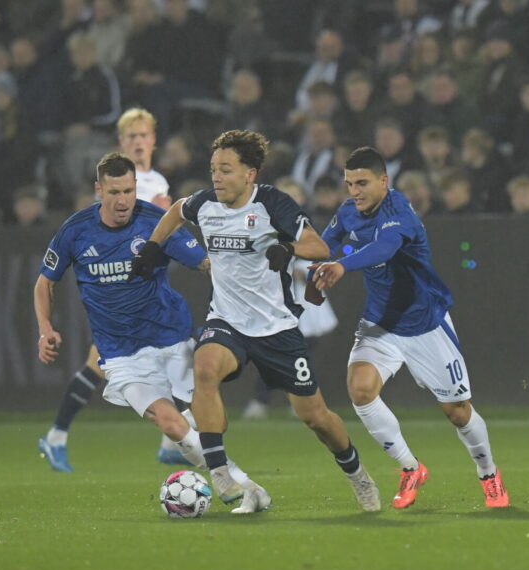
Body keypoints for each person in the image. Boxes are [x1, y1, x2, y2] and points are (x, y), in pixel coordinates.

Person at [131, 130, 382, 515]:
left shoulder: (272, 204)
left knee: (316, 418)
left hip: (276, 329)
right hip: (227, 319)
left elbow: (320, 247)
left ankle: (357, 473)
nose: (216, 177)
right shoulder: (205, 204)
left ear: (249, 174)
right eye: (214, 169)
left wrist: (286, 248)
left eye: (226, 170)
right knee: (205, 367)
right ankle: (220, 474)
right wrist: (152, 245)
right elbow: (178, 210)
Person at [34, 152, 255, 506]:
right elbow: (45, 283)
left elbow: (204, 263)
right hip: (120, 353)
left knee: (211, 420)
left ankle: (243, 485)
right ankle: (230, 480)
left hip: (170, 338)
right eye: (114, 192)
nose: (123, 201)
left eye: (129, 191)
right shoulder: (75, 231)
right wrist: (45, 328)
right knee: (170, 424)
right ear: (98, 190)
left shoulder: (157, 222)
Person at [309, 147, 508, 509]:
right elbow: (323, 245)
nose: (355, 190)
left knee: (458, 412)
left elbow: (383, 249)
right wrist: (300, 257)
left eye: (363, 182)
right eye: (350, 183)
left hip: (424, 323)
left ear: (384, 181)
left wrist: (342, 266)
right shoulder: (347, 212)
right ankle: (410, 467)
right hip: (380, 323)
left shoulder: (398, 213)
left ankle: (489, 473)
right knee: (360, 390)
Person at [39, 108, 183, 471]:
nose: (137, 141)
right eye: (130, 136)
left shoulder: (158, 181)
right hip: (117, 295)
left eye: (143, 135)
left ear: (153, 140)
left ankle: (169, 441)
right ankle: (56, 435)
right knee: (101, 366)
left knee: (161, 366)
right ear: (122, 142)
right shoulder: (115, 186)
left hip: (149, 294)